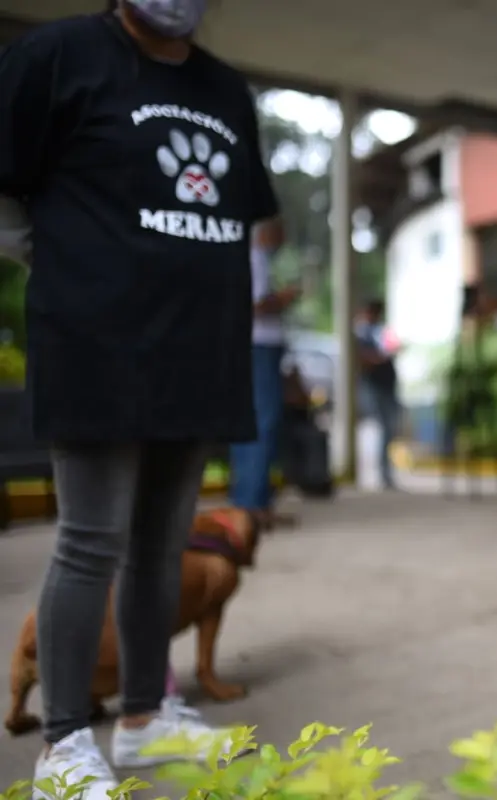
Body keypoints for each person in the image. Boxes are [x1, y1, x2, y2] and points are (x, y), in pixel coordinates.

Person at [0, 1, 282, 793]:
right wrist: (48, 258)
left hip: (198, 343)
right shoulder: (54, 57)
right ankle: (62, 746)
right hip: (97, 341)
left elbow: (248, 212)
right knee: (91, 540)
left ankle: (142, 720)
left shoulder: (225, 90)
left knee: (164, 544)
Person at [228, 234, 299, 528]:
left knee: (256, 422)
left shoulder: (251, 255)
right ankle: (250, 505)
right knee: (262, 422)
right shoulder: (253, 255)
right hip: (258, 345)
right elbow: (255, 305)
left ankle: (254, 502)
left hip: (253, 345)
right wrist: (284, 298)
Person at [355, 298, 402, 490]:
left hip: (387, 384)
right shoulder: (361, 333)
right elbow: (364, 359)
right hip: (373, 385)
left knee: (389, 429)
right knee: (380, 428)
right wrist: (378, 358)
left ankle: (386, 473)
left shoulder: (380, 331)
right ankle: (381, 473)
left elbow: (392, 347)